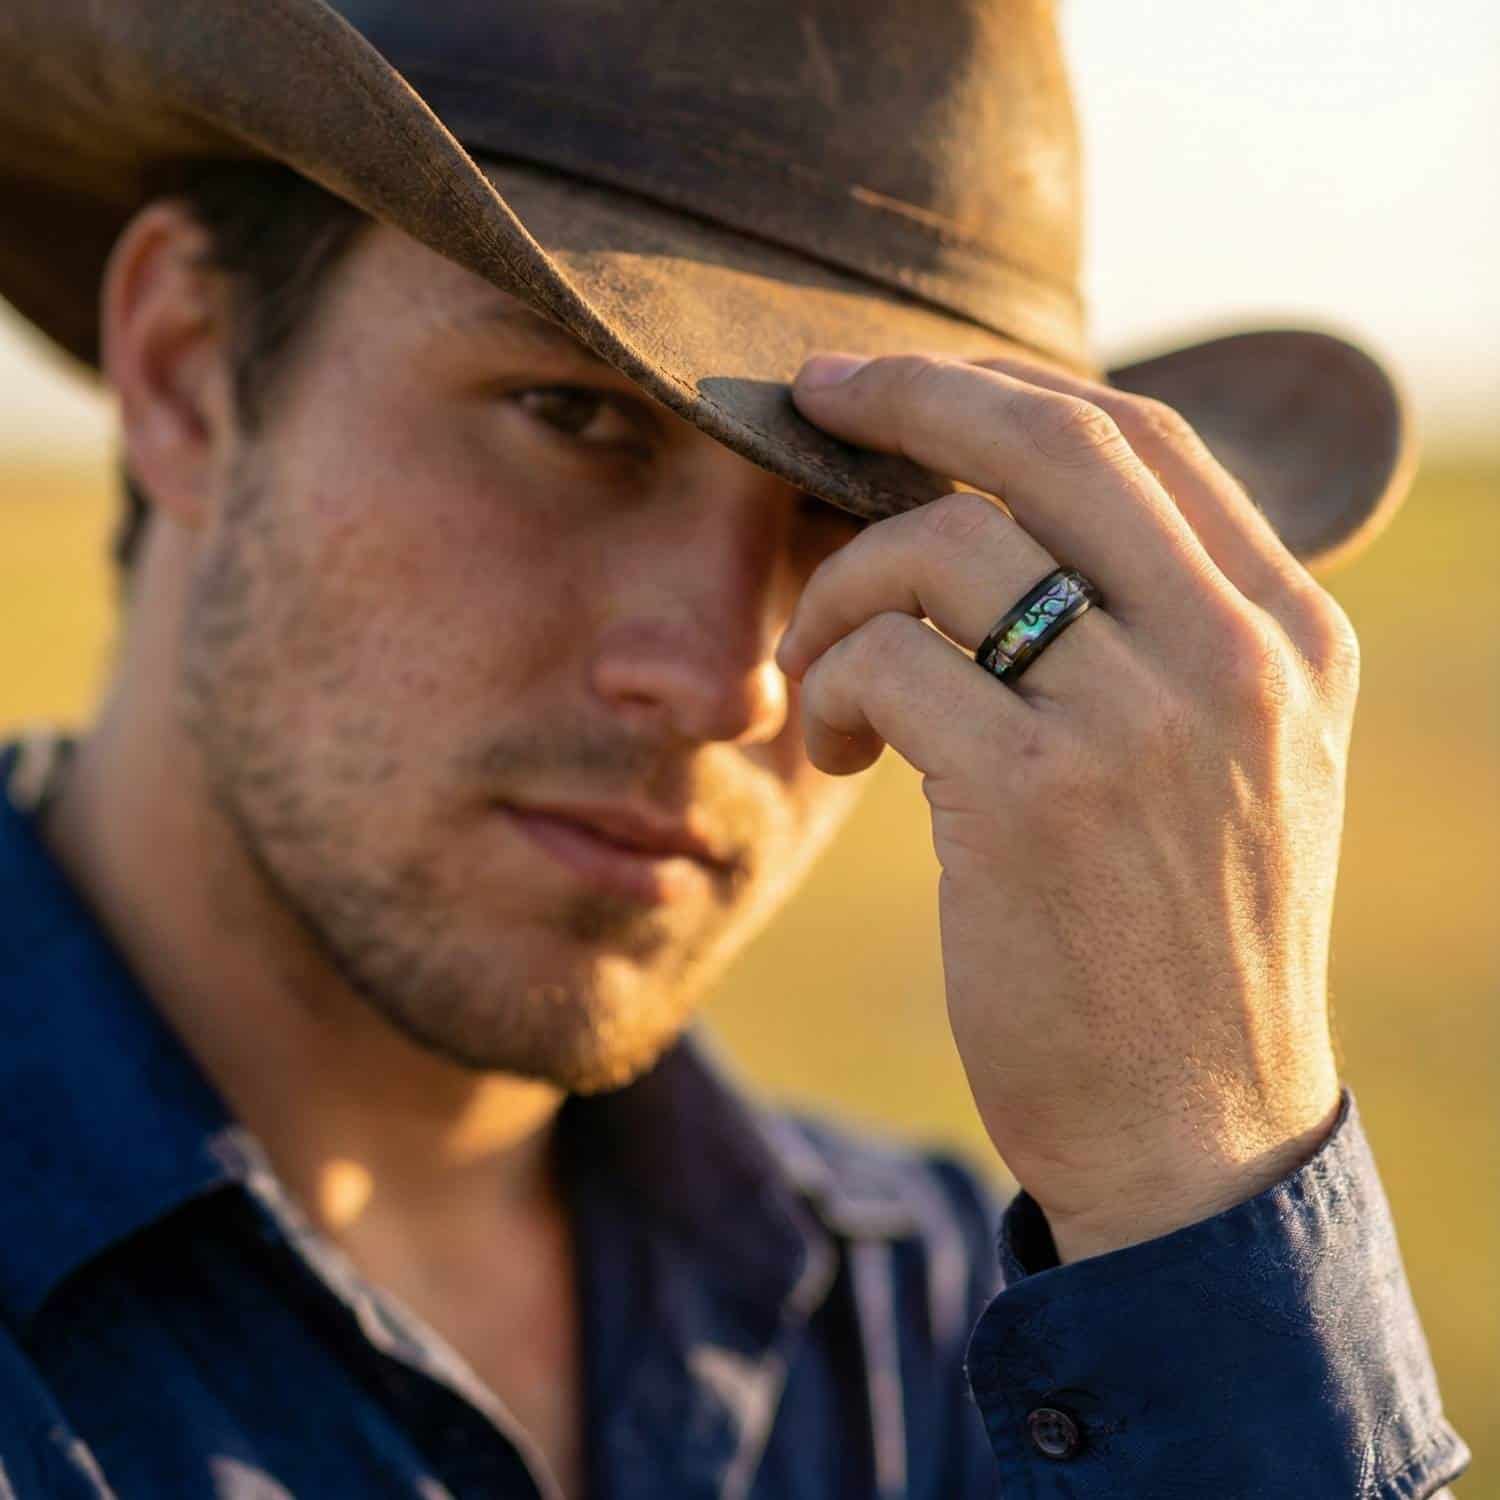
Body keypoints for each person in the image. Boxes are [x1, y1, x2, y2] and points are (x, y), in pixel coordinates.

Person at [0, 0, 1470, 1496]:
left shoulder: (993, 1339)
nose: (729, 683)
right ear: (187, 370)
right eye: (572, 417)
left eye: (855, 510)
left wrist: (1208, 1187)